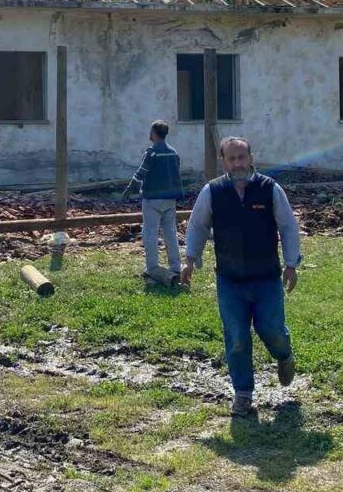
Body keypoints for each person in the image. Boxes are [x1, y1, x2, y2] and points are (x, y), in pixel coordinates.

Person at [181, 136, 302, 418]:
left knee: (272, 331)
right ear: (223, 161)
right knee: (236, 337)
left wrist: (291, 264)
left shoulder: (269, 189)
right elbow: (198, 227)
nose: (237, 163)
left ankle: (284, 356)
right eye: (231, 158)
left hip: (266, 279)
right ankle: (243, 395)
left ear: (250, 158)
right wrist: (189, 260)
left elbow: (288, 227)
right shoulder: (212, 192)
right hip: (230, 280)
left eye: (242, 157)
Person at [121, 120, 183, 279]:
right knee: (170, 233)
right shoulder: (173, 152)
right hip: (170, 199)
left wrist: (129, 189)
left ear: (154, 133)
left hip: (152, 199)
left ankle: (152, 267)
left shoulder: (152, 153)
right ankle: (176, 266)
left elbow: (141, 173)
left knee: (150, 233)